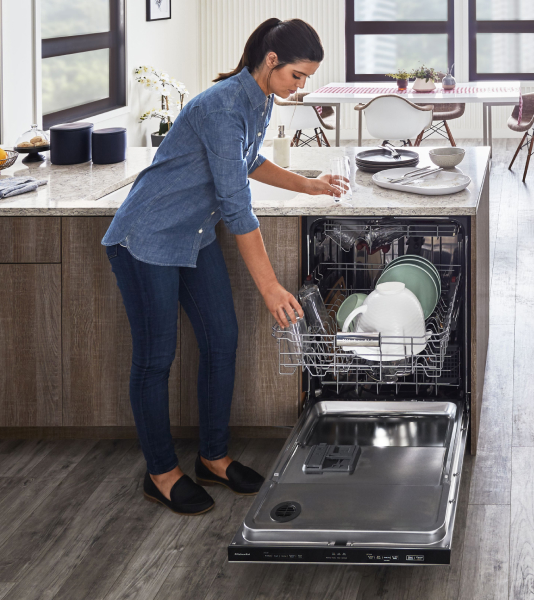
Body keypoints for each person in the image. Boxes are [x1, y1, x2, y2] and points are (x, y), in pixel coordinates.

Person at [102, 18, 340, 516]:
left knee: (221, 340)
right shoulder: (222, 105)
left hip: (192, 235)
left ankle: (213, 456)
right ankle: (161, 473)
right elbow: (236, 206)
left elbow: (247, 160)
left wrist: (307, 184)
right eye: (298, 75)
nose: (302, 87)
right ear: (271, 61)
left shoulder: (260, 98)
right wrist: (271, 287)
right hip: (146, 237)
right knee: (155, 357)